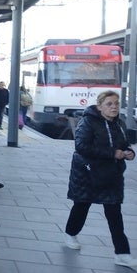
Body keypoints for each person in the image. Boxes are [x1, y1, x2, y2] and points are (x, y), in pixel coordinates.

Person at [64, 90, 137, 268]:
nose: (114, 107)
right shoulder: (88, 122)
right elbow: (81, 146)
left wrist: (129, 152)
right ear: (99, 107)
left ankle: (122, 254)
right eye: (109, 104)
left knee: (114, 214)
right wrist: (113, 153)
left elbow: (124, 144)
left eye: (116, 104)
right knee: (82, 205)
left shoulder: (119, 123)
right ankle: (70, 233)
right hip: (88, 174)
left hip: (112, 175)